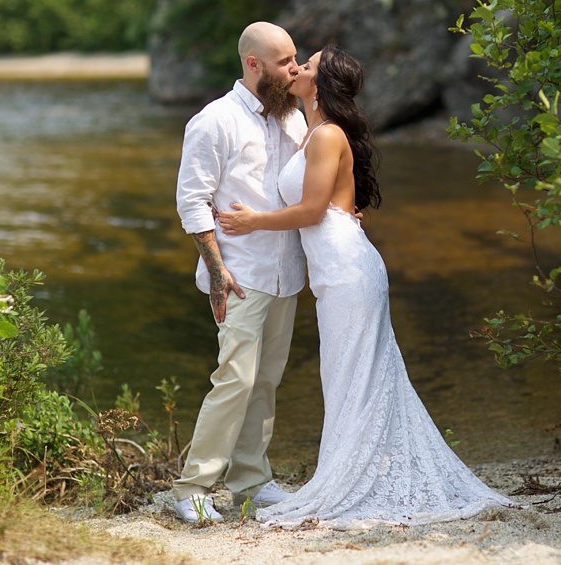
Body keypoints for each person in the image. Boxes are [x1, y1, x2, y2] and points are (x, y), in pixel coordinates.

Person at [217, 45, 515, 529]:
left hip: (347, 270)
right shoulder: (311, 131)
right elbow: (327, 203)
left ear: (320, 84)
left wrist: (253, 222)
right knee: (345, 375)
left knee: (352, 374)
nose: (296, 69)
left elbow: (313, 211)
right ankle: (353, 472)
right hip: (336, 268)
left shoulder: (327, 135)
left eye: (306, 66)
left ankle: (350, 478)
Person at [172, 21, 308, 523]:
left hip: (285, 274)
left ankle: (253, 482)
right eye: (284, 62)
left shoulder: (291, 119)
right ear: (253, 64)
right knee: (235, 378)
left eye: (296, 60)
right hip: (239, 275)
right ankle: (193, 487)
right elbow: (193, 201)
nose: (294, 69)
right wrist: (217, 271)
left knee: (266, 381)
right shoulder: (215, 121)